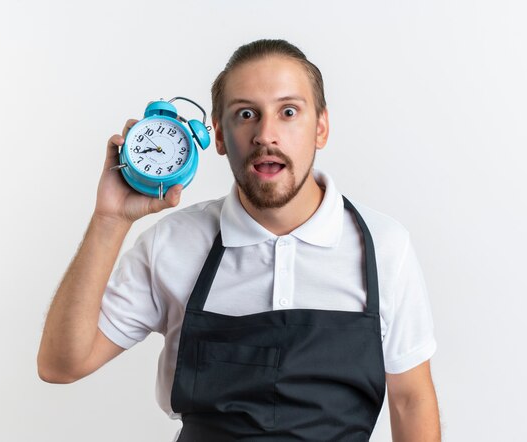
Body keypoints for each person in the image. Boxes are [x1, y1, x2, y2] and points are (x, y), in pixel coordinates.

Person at [38, 39, 441, 441]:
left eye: (288, 112)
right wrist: (110, 219)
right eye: (245, 114)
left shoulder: (384, 247)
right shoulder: (174, 243)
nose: (266, 135)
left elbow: (410, 401)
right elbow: (60, 364)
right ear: (217, 136)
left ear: (321, 127)